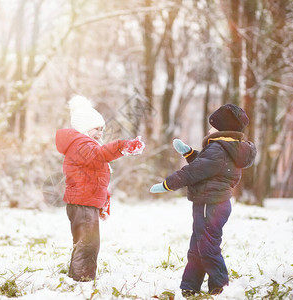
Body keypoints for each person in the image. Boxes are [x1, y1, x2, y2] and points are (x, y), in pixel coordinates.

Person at [150, 103, 256, 297]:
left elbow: (194, 171)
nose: (209, 129)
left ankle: (221, 288)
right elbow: (206, 165)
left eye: (212, 125)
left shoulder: (218, 149)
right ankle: (190, 287)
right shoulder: (226, 149)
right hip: (212, 202)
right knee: (198, 246)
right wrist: (190, 153)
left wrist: (168, 184)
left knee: (207, 248)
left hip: (210, 203)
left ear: (222, 128)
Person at [55, 95, 145, 282]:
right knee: (88, 243)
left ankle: (77, 275)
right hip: (82, 203)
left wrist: (104, 199)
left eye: (102, 129)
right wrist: (123, 146)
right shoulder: (82, 145)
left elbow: (95, 177)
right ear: (85, 128)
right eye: (98, 128)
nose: (101, 133)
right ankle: (83, 279)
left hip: (84, 202)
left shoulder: (82, 145)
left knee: (84, 241)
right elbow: (100, 155)